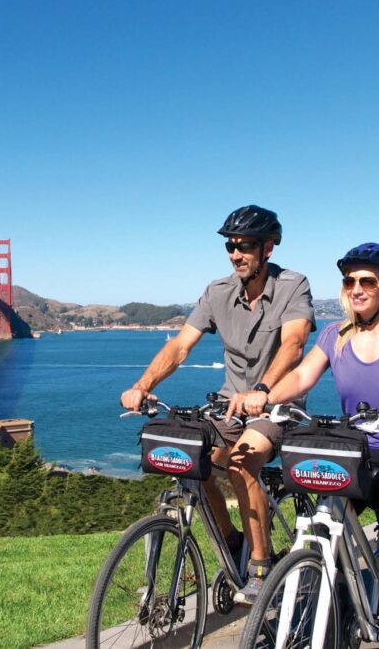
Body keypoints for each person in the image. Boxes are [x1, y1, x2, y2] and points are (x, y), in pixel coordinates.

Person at [120, 204, 315, 604]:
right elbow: (179, 347)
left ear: (268, 248)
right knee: (188, 456)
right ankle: (231, 539)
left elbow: (294, 344)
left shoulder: (294, 286)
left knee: (242, 462)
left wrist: (262, 389)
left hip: (276, 407)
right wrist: (142, 385)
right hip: (228, 406)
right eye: (230, 246)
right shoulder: (217, 292)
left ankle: (261, 568)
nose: (235, 254)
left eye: (244, 246)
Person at [253, 242, 379, 617]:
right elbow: (304, 376)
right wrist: (264, 396)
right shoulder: (335, 335)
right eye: (350, 281)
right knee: (325, 512)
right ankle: (339, 607)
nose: (356, 288)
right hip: (357, 446)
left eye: (367, 281)